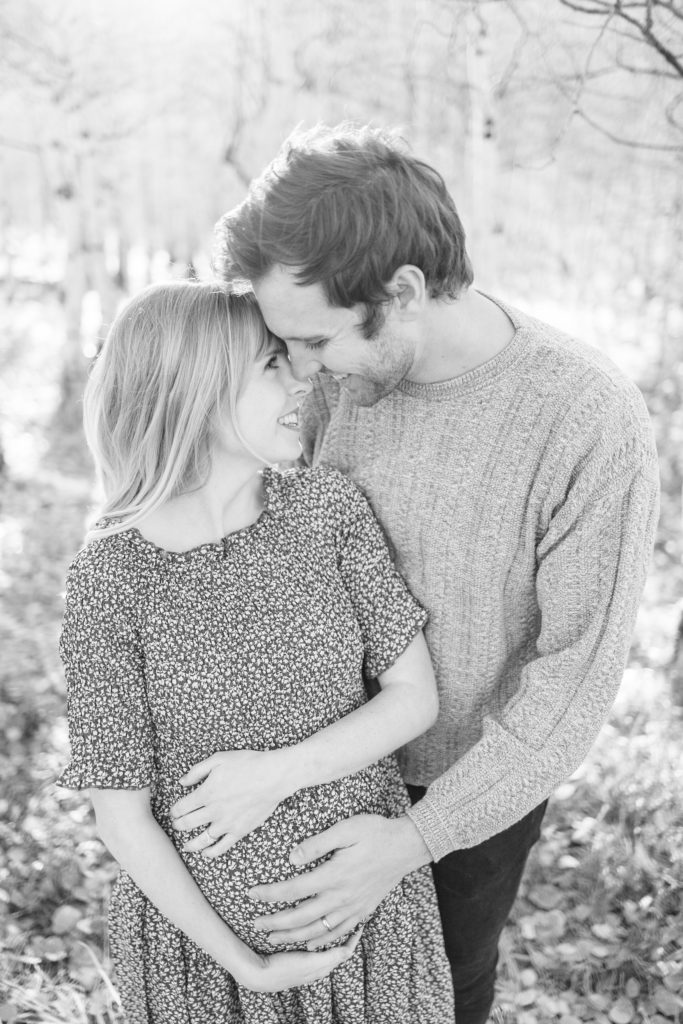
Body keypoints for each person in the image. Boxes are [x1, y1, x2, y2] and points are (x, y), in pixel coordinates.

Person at [192, 124, 660, 1024]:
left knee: (434, 998)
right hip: (298, 763)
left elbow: (574, 679)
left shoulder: (583, 417)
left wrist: (414, 839)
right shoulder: (327, 380)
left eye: (319, 340)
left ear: (401, 291)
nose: (300, 371)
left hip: (467, 797)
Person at [57, 281, 455, 1024]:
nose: (303, 379)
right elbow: (122, 813)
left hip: (366, 932)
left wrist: (275, 775)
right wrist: (244, 961)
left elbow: (413, 697)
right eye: (272, 363)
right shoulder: (110, 578)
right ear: (195, 386)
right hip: (207, 967)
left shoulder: (327, 511)